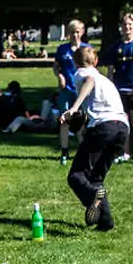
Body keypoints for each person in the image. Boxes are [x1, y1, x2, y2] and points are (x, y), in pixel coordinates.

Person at [59, 46, 128, 231]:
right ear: (96, 61)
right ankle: (105, 222)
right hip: (122, 128)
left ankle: (93, 198)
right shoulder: (105, 80)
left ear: (75, 62)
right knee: (96, 178)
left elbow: (89, 81)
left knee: (76, 176)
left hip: (103, 126)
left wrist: (73, 108)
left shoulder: (82, 73)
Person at [104, 12, 133, 167]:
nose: (127, 27)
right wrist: (110, 90)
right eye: (124, 25)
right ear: (121, 27)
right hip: (119, 90)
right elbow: (110, 71)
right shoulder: (114, 47)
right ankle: (125, 152)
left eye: (130, 24)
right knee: (123, 123)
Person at [52, 19, 91, 162]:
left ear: (82, 32)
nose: (75, 35)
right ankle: (64, 151)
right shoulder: (62, 49)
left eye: (77, 32)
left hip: (81, 91)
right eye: (72, 32)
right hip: (66, 89)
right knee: (64, 120)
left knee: (81, 121)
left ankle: (84, 151)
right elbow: (56, 66)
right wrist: (60, 76)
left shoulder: (86, 48)